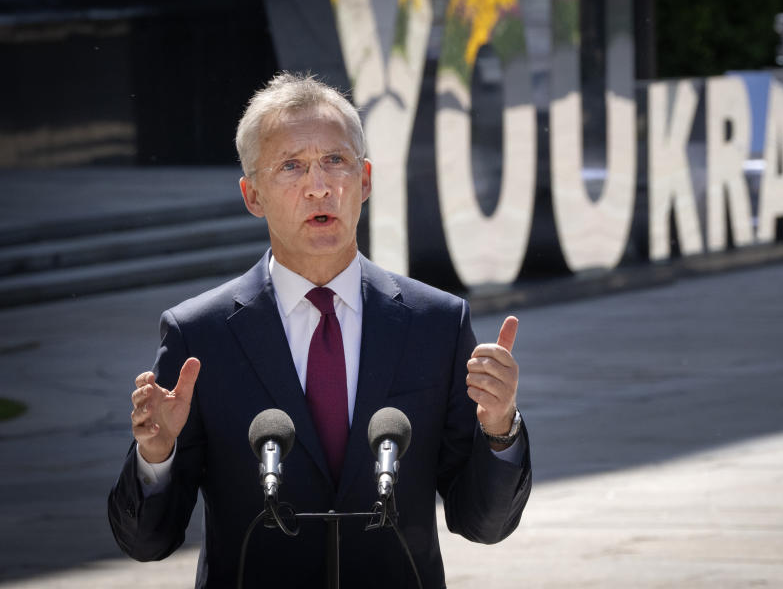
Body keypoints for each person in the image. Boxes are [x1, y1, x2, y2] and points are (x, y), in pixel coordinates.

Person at [107, 72, 531, 588]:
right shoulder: (201, 336)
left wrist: (499, 428)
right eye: (291, 166)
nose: (319, 186)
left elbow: (483, 524)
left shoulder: (436, 324)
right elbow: (148, 541)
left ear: (366, 180)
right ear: (253, 195)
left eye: (336, 161)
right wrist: (156, 456)